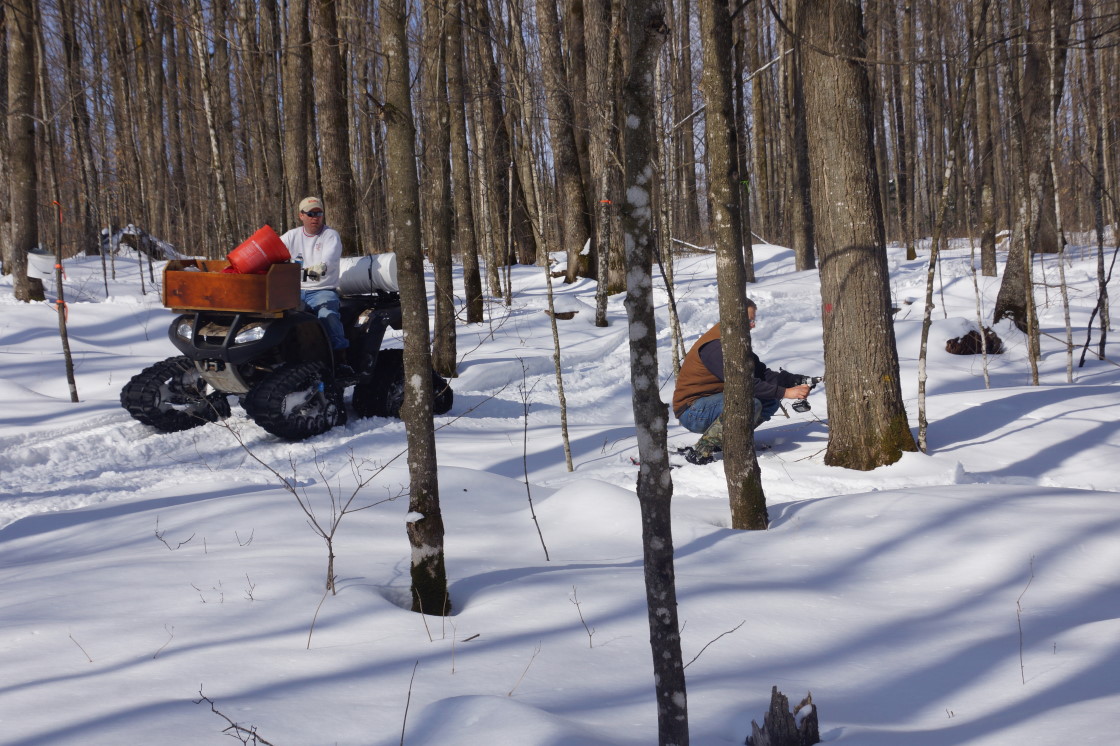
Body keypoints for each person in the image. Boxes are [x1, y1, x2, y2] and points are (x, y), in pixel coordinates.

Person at [671, 299, 814, 465]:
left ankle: (727, 440)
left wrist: (792, 380)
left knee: (769, 400)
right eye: (750, 320)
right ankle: (701, 452)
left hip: (714, 402)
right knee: (748, 403)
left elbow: (761, 373)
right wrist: (786, 393)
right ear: (733, 317)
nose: (753, 325)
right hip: (692, 411)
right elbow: (743, 383)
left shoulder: (736, 341)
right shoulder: (716, 347)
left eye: (754, 320)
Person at [279, 197, 351, 370]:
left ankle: (340, 359)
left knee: (328, 315)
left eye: (318, 213)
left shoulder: (330, 236)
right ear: (301, 215)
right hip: (294, 291)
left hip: (322, 290)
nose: (315, 217)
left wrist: (309, 273)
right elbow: (272, 250)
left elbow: (327, 262)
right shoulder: (291, 236)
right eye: (310, 213)